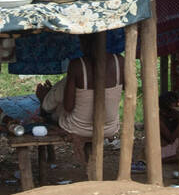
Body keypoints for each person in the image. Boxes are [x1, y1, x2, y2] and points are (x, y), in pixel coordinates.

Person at [35, 33, 124, 164]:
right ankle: (47, 98)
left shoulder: (77, 65)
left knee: (55, 104)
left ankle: (45, 99)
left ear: (84, 43)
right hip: (109, 128)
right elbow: (126, 88)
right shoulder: (119, 61)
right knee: (64, 90)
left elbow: (68, 107)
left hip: (78, 128)